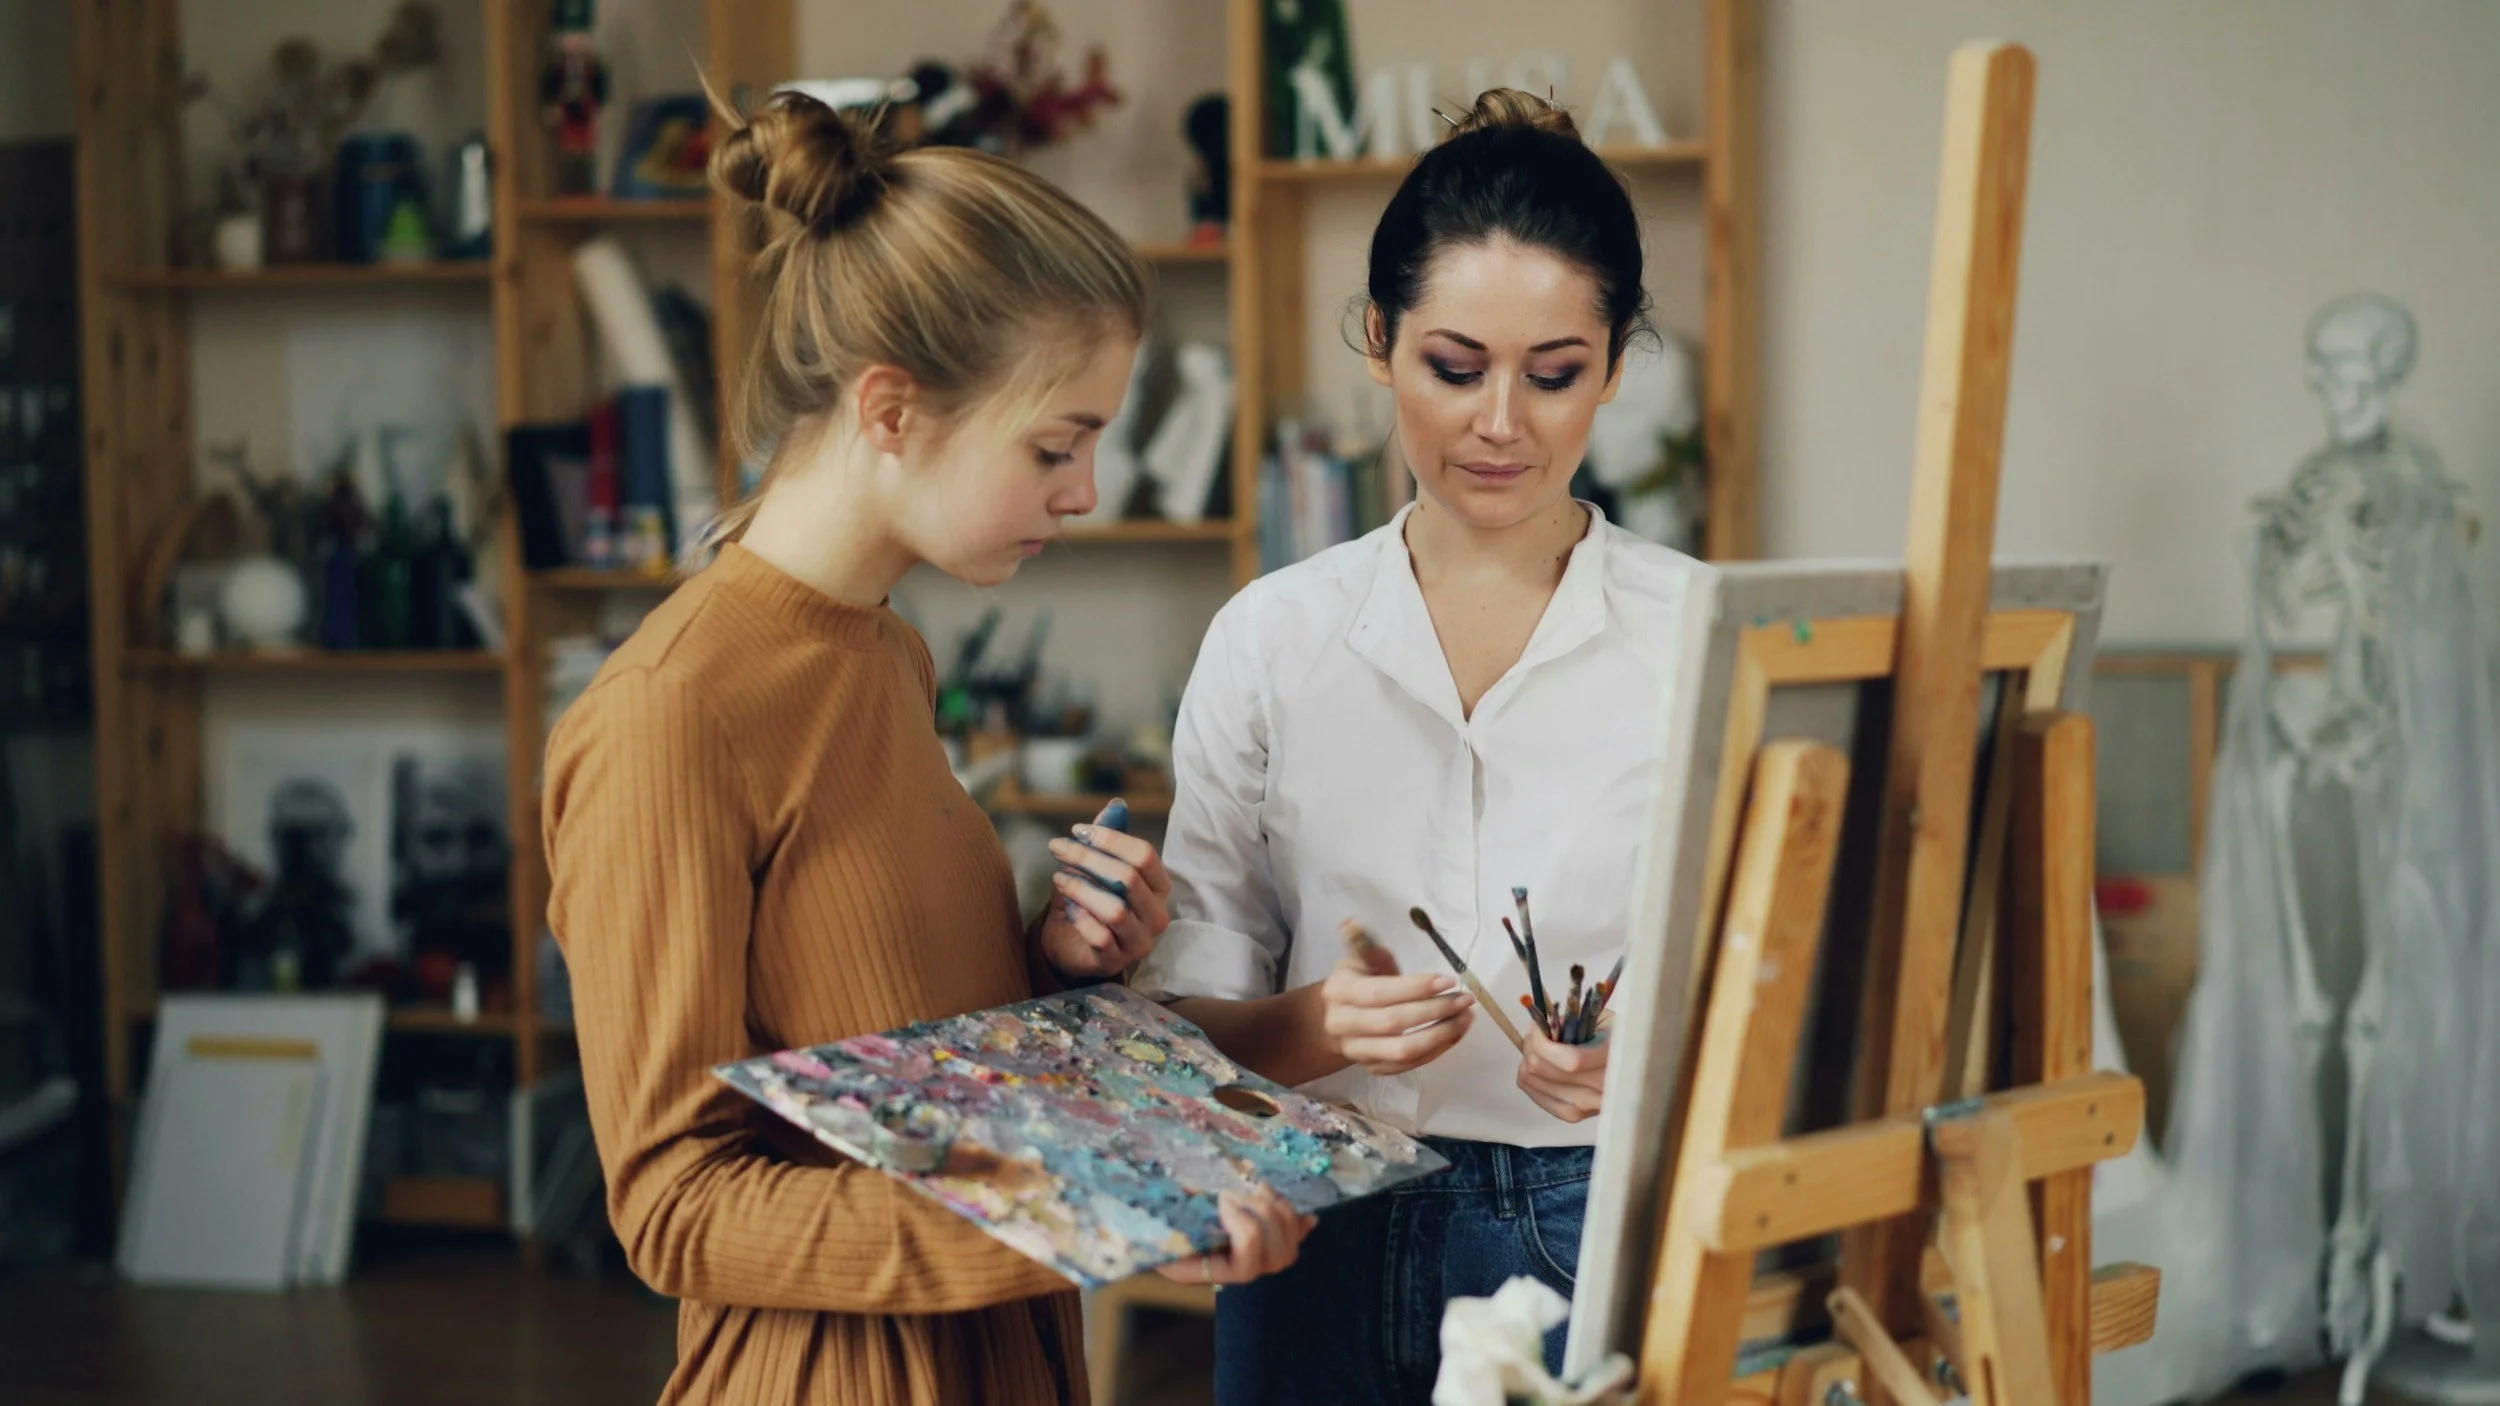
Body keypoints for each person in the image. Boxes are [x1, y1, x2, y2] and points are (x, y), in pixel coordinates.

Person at [542, 89, 1311, 1406]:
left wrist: (1052, 963)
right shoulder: (668, 711)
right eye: (1057, 444)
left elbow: (886, 1055)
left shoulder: (885, 653)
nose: (1083, 491)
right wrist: (1084, 1211)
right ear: (890, 407)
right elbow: (676, 1205)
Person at [1128, 89, 1713, 1403]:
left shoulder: (1703, 640)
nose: (1502, 420)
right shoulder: (1272, 639)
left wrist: (1657, 1067)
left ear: (1616, 364)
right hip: (1309, 1219)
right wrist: (1313, 1022)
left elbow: (1794, 986)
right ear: (1382, 342)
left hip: (1592, 1229)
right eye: (1456, 367)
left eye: (1555, 373)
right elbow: (1182, 1018)